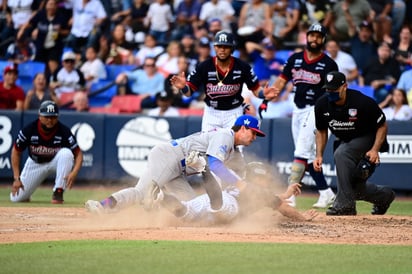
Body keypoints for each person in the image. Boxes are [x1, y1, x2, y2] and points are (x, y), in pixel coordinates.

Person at [85, 115, 267, 217]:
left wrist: (259, 192)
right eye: (253, 133)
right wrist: (240, 185)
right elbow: (215, 165)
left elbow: (242, 173)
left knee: (190, 208)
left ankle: (156, 208)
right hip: (169, 156)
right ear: (242, 128)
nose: (254, 138)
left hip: (179, 170)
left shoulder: (234, 152)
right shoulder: (225, 136)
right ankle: (103, 205)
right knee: (144, 191)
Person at [267, 23, 338, 208]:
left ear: (323, 40)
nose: (314, 39)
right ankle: (326, 192)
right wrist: (272, 93)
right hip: (298, 109)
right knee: (306, 155)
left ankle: (290, 195)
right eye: (311, 35)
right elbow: (283, 79)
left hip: (317, 110)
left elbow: (335, 90)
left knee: (300, 152)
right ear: (306, 37)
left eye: (318, 36)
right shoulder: (296, 58)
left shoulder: (329, 64)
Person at [314, 71, 395, 215]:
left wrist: (375, 149)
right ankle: (384, 196)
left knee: (341, 154)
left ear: (345, 86)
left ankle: (345, 206)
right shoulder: (322, 105)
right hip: (345, 140)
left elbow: (382, 125)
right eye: (328, 89)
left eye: (334, 89)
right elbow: (321, 131)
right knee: (353, 187)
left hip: (367, 138)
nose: (330, 92)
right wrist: (318, 155)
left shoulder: (362, 102)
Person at [170, 31, 278, 132]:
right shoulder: (204, 66)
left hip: (234, 111)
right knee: (208, 145)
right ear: (215, 48)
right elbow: (189, 92)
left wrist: (263, 93)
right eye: (219, 46)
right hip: (211, 112)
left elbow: (255, 89)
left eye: (226, 46)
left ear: (232, 48)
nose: (222, 49)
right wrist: (183, 87)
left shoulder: (242, 66)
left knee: (234, 147)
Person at [158, 163, 318, 224]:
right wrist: (303, 218)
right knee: (218, 207)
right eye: (265, 177)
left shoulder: (248, 186)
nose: (267, 180)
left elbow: (274, 200)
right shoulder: (258, 191)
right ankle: (204, 169)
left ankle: (160, 196)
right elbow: (283, 207)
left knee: (185, 211)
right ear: (259, 177)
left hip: (214, 197)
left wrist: (286, 193)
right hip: (227, 204)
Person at [10, 100, 83, 204]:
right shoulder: (29, 129)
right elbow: (16, 152)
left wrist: (74, 172)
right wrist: (17, 178)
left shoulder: (64, 131)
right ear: (40, 116)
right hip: (35, 163)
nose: (50, 120)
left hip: (54, 161)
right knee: (16, 198)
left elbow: (78, 154)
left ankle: (58, 191)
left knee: (66, 153)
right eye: (47, 117)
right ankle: (26, 194)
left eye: (53, 117)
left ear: (57, 117)